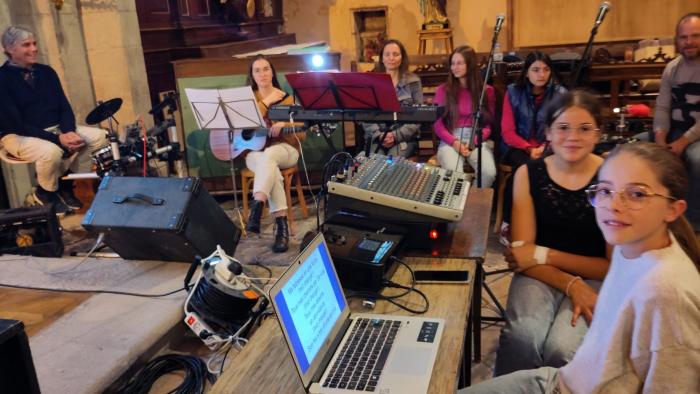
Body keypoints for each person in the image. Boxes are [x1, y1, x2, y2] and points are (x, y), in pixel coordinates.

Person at [461, 142, 700, 393]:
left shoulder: (666, 292)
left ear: (673, 209)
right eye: (606, 190)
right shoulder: (627, 246)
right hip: (561, 381)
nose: (614, 205)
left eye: (637, 194)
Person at [494, 90, 609, 376]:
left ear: (598, 134)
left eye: (584, 129)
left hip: (594, 276)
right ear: (547, 132)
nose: (573, 137)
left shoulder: (611, 177)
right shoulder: (528, 174)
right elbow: (522, 257)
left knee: (561, 349)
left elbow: (610, 266)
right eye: (563, 128)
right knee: (523, 336)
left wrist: (541, 254)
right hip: (538, 273)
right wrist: (571, 284)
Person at [0, 26, 106, 215]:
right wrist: (58, 139)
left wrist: (68, 131)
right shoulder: (2, 79)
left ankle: (66, 181)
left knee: (99, 136)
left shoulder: (47, 71)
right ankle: (46, 191)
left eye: (34, 43)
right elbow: (16, 124)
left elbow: (65, 107)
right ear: (9, 49)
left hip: (56, 129)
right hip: (16, 134)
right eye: (26, 45)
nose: (34, 49)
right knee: (51, 152)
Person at [498, 51, 567, 242]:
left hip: (549, 147)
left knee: (543, 170)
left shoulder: (560, 94)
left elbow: (561, 127)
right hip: (517, 147)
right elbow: (507, 131)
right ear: (526, 72)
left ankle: (542, 225)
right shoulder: (513, 92)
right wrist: (529, 148)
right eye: (535, 70)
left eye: (546, 70)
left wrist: (544, 147)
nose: (541, 74)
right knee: (523, 170)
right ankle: (508, 224)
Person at [244, 54, 305, 253]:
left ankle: (257, 206)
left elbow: (302, 134)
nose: (262, 74)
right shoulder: (248, 99)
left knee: (270, 155)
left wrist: (285, 124)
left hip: (286, 150)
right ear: (252, 75)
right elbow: (243, 124)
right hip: (255, 153)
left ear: (272, 71)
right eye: (257, 70)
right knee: (270, 167)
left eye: (266, 69)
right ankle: (281, 226)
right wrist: (267, 100)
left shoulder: (286, 98)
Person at [651, 12, 700, 232]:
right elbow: (662, 107)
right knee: (635, 148)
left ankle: (693, 225)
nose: (689, 42)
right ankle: (655, 213)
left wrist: (683, 142)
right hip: (673, 130)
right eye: (684, 37)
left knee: (696, 159)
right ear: (677, 40)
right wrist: (660, 139)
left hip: (696, 134)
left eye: (695, 36)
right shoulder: (671, 68)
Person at [433, 45, 497, 187]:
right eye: (453, 63)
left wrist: (475, 140)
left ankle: (470, 206)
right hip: (450, 138)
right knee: (455, 175)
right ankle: (458, 205)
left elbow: (488, 124)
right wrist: (454, 142)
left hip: (477, 138)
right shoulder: (443, 90)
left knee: (488, 173)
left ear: (471, 64)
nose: (455, 67)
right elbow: (437, 124)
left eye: (460, 63)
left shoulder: (486, 91)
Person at [362, 39, 423, 158]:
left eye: (396, 54)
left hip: (403, 139)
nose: (391, 58)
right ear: (382, 58)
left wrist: (395, 136)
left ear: (402, 57)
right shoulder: (371, 81)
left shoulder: (414, 81)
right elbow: (365, 115)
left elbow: (419, 116)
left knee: (393, 164)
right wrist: (379, 135)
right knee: (375, 164)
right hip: (376, 138)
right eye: (387, 54)